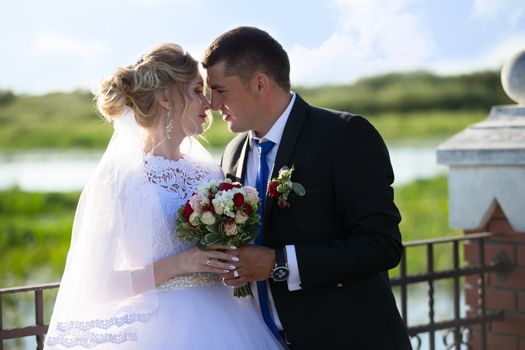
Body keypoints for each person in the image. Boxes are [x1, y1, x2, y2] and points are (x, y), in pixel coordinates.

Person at [44, 43, 284, 349]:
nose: (208, 103)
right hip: (158, 328)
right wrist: (179, 264)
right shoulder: (120, 177)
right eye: (197, 90)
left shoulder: (209, 170)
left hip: (229, 319)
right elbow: (97, 284)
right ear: (166, 97)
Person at [203, 27, 412, 349]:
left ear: (260, 83)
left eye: (220, 90)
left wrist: (279, 263)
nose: (213, 104)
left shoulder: (344, 135)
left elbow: (381, 244)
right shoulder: (232, 153)